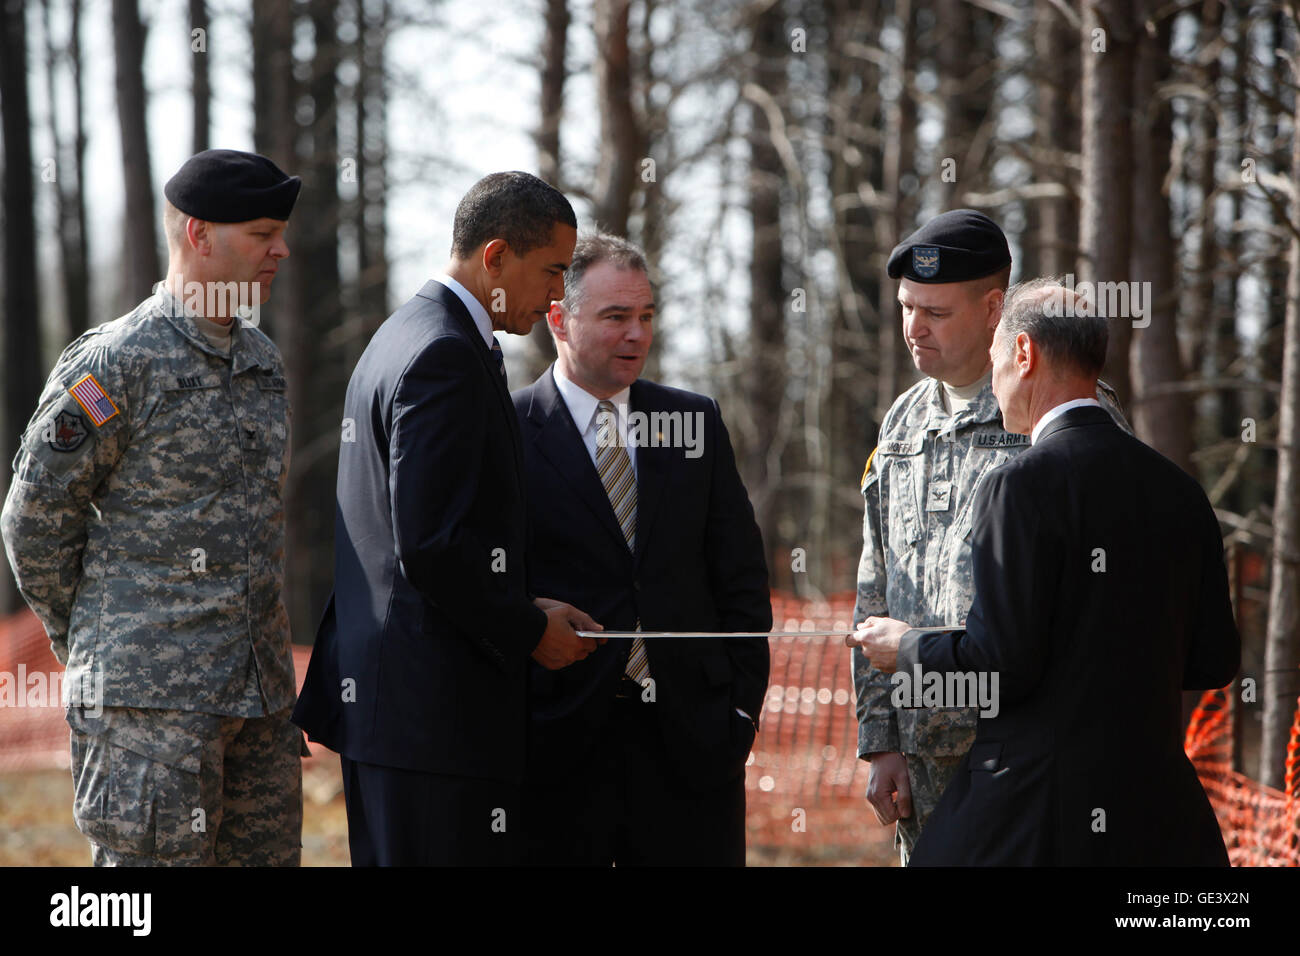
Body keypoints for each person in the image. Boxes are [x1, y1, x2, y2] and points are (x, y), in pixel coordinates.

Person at [851, 277, 1240, 865]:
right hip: (1158, 817)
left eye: (997, 360)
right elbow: (1214, 660)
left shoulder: (1018, 485)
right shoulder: (1180, 492)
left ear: (1025, 355)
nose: (996, 379)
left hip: (1033, 817)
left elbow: (1001, 667)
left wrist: (906, 648)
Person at [1, 148, 304, 865]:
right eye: (262, 233)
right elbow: (34, 523)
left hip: (255, 700)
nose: (281, 250)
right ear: (200, 234)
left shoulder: (261, 362)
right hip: (149, 713)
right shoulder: (116, 364)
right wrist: (103, 651)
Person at [292, 171, 600, 866]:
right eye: (551, 271)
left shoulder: (404, 333)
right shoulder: (445, 355)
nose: (558, 295)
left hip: (398, 710)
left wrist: (517, 597)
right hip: (432, 717)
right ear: (495, 257)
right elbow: (430, 545)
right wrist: (527, 629)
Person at [851, 209, 1130, 864]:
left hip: (1028, 758)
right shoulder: (901, 422)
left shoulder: (1065, 413)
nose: (914, 328)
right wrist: (881, 740)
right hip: (922, 765)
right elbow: (875, 588)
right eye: (906, 307)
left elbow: (1107, 591)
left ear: (994, 309)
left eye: (937, 313)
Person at [513, 232, 771, 865]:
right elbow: (491, 583)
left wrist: (737, 718)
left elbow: (740, 583)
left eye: (646, 316)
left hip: (691, 751)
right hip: (555, 751)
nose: (637, 334)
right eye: (616, 317)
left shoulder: (695, 422)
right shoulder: (506, 429)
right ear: (559, 320)